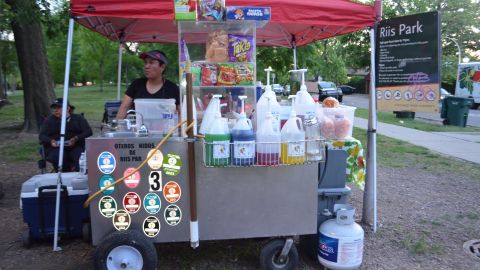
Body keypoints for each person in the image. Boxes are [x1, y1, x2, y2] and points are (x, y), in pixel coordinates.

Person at [116, 50, 180, 119]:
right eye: (145, 62)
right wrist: (117, 127)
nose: (146, 66)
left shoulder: (172, 88)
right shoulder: (136, 84)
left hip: (165, 129)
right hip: (139, 128)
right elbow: (124, 107)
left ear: (162, 67)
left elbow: (180, 114)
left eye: (151, 62)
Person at [39, 98, 93, 172]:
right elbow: (42, 136)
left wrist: (76, 138)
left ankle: (79, 176)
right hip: (56, 147)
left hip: (75, 146)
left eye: (59, 108)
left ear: (67, 108)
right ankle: (62, 176)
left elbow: (88, 132)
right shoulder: (49, 120)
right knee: (58, 156)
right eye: (54, 108)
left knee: (80, 156)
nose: (56, 110)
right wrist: (51, 141)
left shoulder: (78, 118)